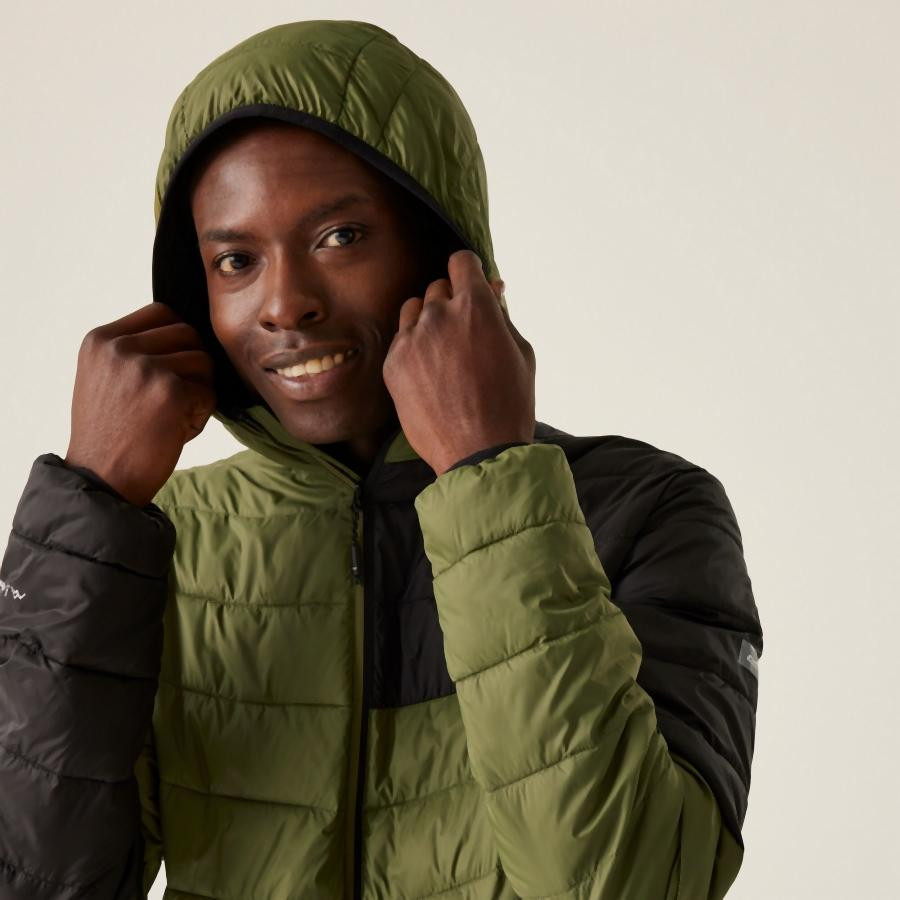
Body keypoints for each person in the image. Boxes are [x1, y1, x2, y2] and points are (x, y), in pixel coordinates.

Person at [0, 19, 763, 900]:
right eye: (236, 260)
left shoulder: (647, 512)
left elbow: (632, 883)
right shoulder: (166, 537)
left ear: (445, 254)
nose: (284, 304)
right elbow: (38, 883)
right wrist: (87, 514)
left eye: (341, 237)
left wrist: (488, 479)